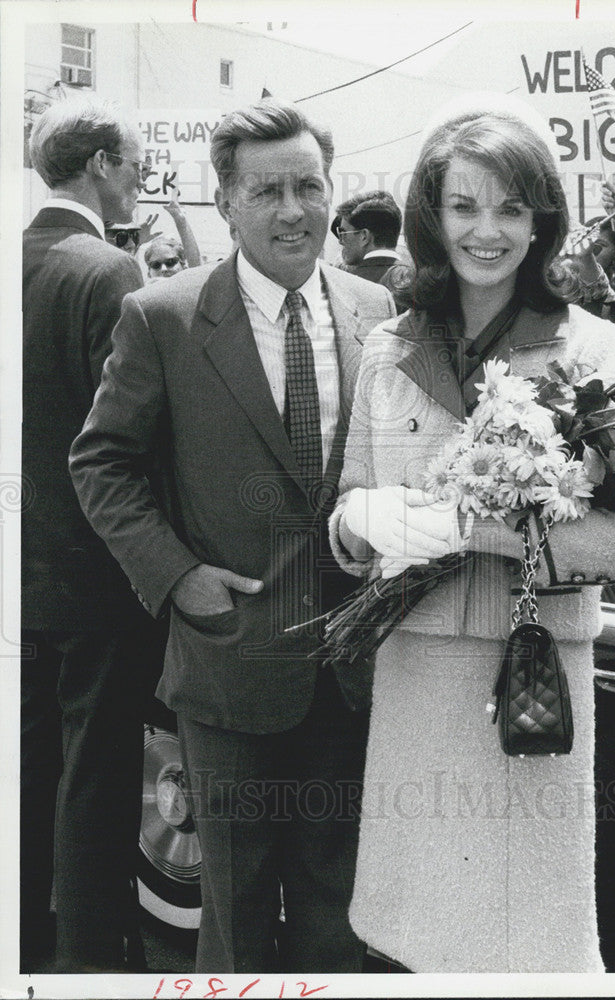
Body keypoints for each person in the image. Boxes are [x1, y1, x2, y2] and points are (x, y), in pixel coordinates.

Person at [69, 98, 396, 974]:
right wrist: (178, 579)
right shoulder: (164, 316)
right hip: (227, 666)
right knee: (236, 905)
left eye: (309, 186)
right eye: (267, 191)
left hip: (351, 667)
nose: (292, 210)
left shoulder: (380, 312)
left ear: (334, 194)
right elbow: (101, 465)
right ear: (226, 203)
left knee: (340, 904)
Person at [327, 96, 615, 973]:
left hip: (532, 679)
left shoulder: (594, 351)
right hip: (417, 676)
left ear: (542, 221)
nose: (487, 231)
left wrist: (477, 528)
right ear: (431, 217)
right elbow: (351, 501)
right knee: (415, 941)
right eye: (464, 206)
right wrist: (358, 526)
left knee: (523, 945)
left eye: (511, 208)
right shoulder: (389, 346)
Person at [22, 98, 162, 972]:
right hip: (98, 578)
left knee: (29, 773)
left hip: (22, 574)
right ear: (104, 162)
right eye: (137, 161)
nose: (143, 177)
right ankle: (89, 966)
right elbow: (137, 442)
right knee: (99, 782)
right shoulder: (107, 273)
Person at [331, 190, 402, 282]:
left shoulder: (344, 284)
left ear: (364, 236)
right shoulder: (416, 278)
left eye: (343, 233)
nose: (340, 241)